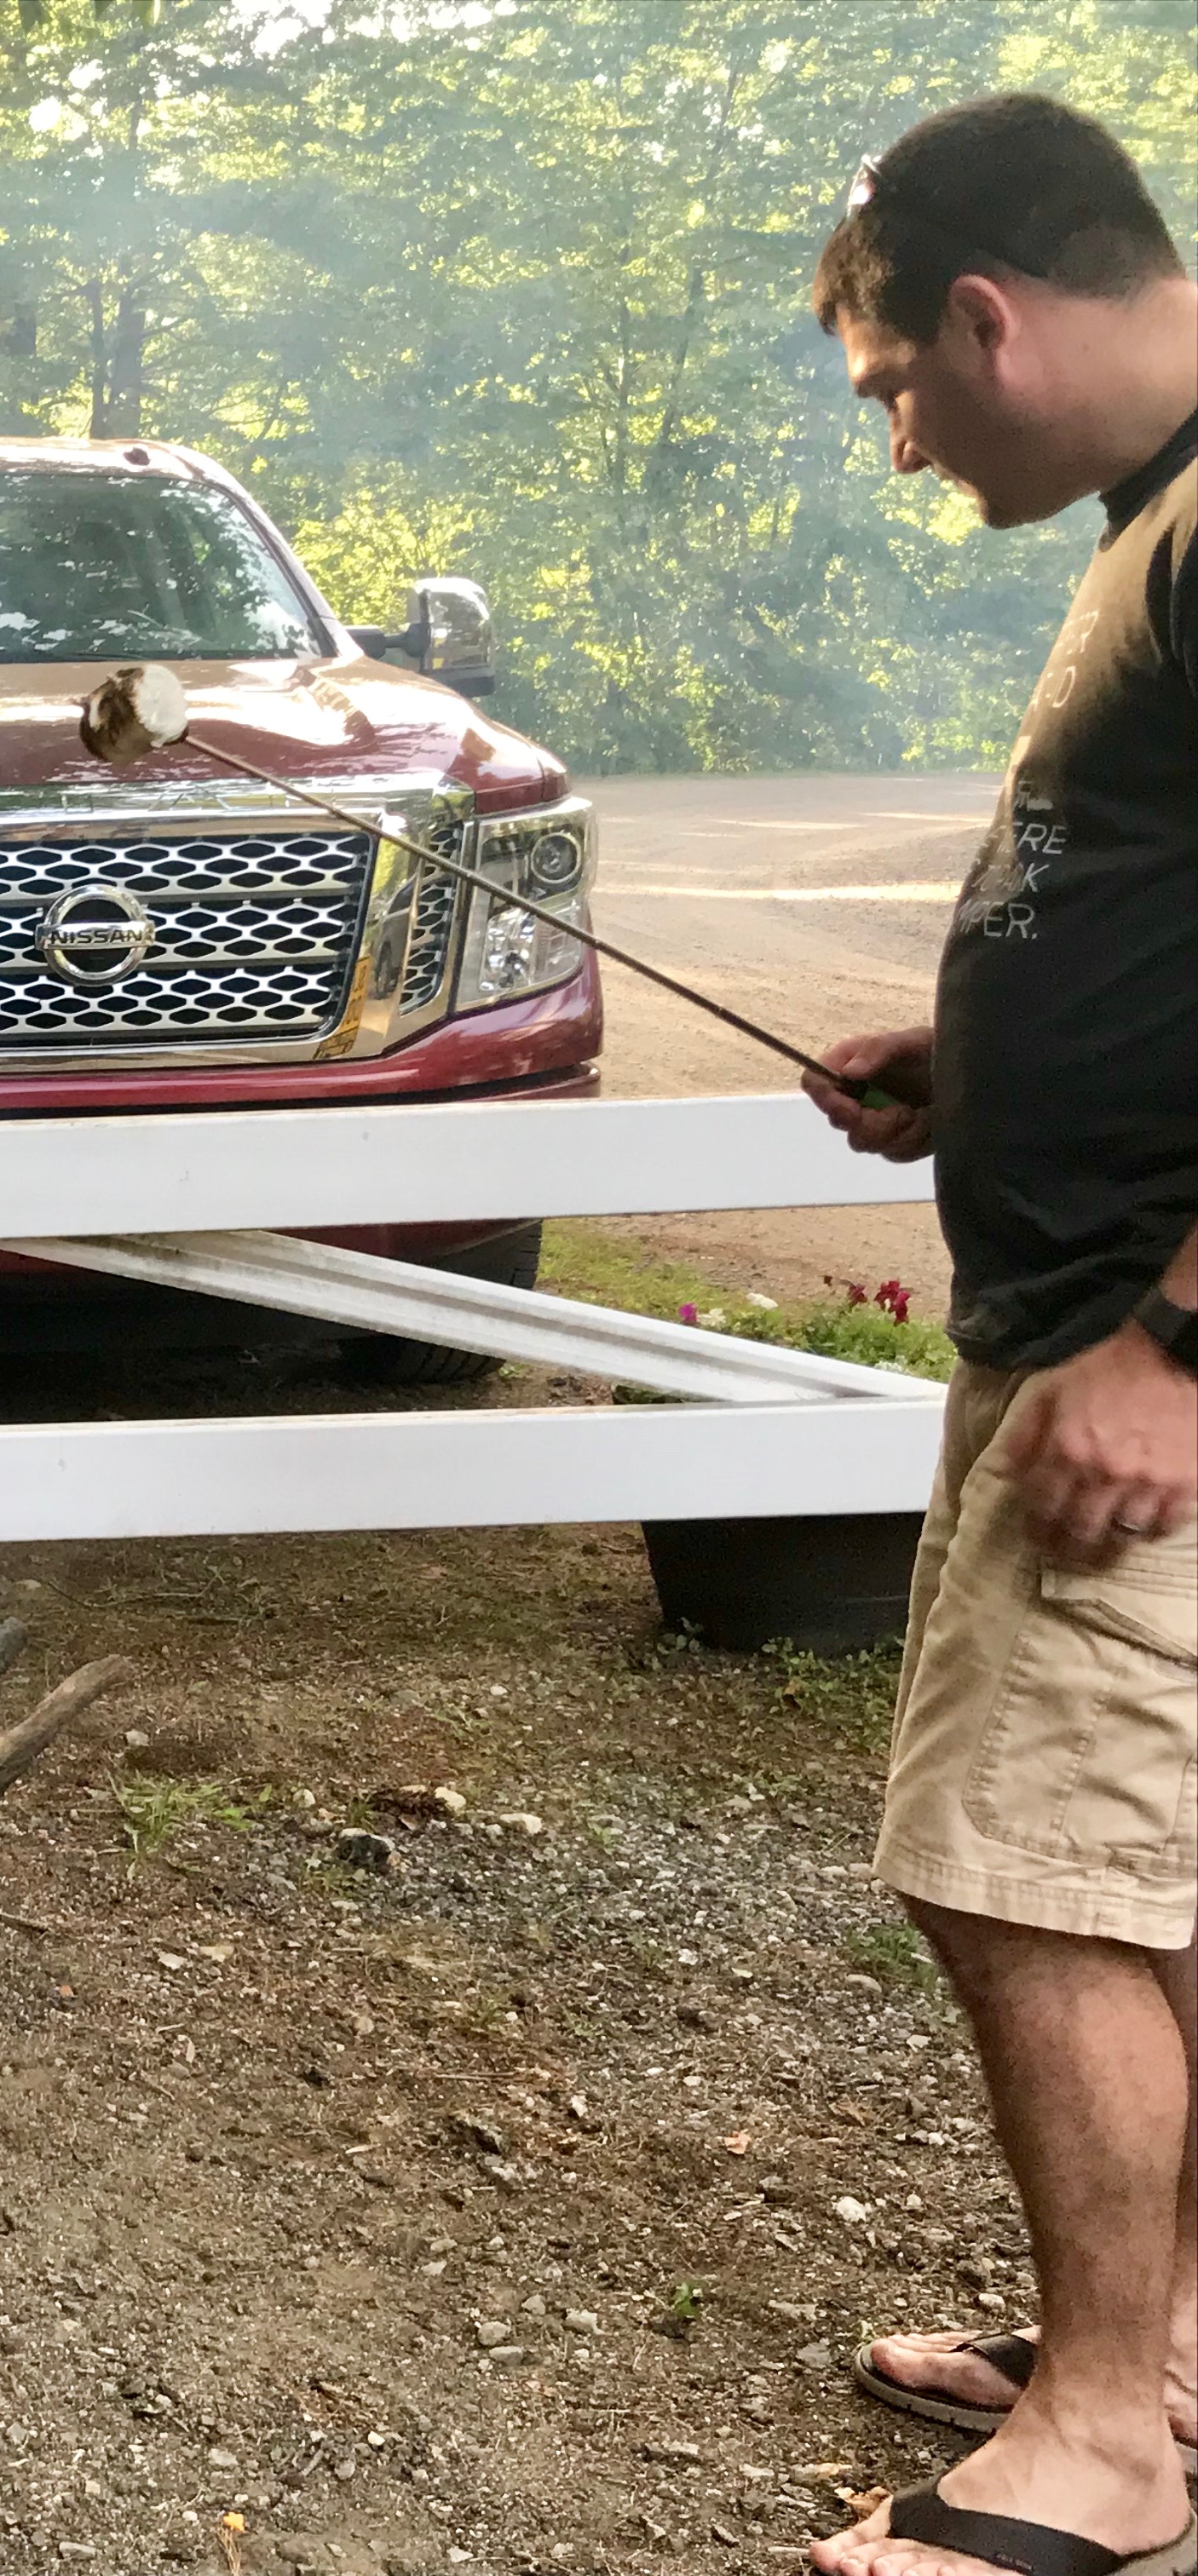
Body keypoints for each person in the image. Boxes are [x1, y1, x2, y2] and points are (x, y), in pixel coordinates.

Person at [798, 92, 1198, 2576]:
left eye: (890, 387)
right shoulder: (1158, 520)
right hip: (1092, 1299)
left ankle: (1111, 2455)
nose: (901, 435)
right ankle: (1150, 2359)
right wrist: (986, 1049)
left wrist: (1171, 1339)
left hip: (1135, 1344)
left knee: (1021, 1868)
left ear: (985, 313)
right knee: (1142, 1876)